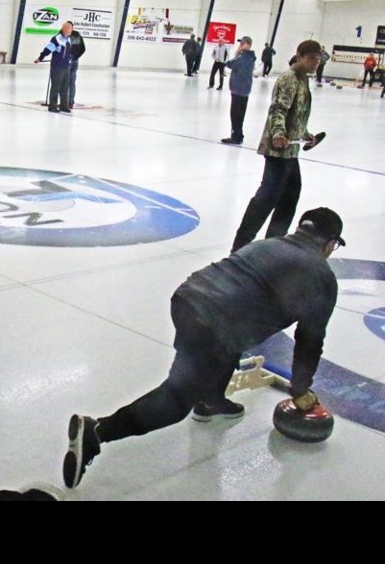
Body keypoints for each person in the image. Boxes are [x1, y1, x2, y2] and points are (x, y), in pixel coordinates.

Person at [63, 207, 344, 489]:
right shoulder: (322, 278)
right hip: (212, 324)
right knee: (175, 400)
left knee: (228, 341)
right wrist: (300, 389)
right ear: (331, 243)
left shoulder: (270, 243)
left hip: (188, 298)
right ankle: (97, 431)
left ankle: (211, 399)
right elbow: (309, 341)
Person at [230, 40, 326, 253]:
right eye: (311, 59)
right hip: (278, 150)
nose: (315, 64)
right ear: (299, 56)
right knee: (267, 198)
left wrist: (306, 135)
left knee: (290, 196)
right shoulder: (289, 79)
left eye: (318, 60)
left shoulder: (303, 80)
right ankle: (240, 248)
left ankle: (272, 245)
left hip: (291, 150)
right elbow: (278, 110)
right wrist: (279, 133)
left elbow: (296, 116)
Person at [221, 36, 256, 145]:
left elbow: (229, 63)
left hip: (238, 90)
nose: (240, 45)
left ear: (248, 45)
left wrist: (237, 52)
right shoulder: (251, 57)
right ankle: (239, 135)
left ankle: (236, 137)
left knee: (235, 115)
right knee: (240, 115)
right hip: (244, 90)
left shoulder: (243, 57)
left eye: (242, 44)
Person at [34, 21, 76, 113]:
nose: (71, 30)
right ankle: (52, 106)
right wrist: (40, 58)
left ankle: (63, 106)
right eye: (70, 29)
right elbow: (48, 49)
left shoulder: (69, 39)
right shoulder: (57, 39)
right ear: (65, 29)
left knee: (65, 88)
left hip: (66, 67)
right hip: (57, 67)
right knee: (56, 87)